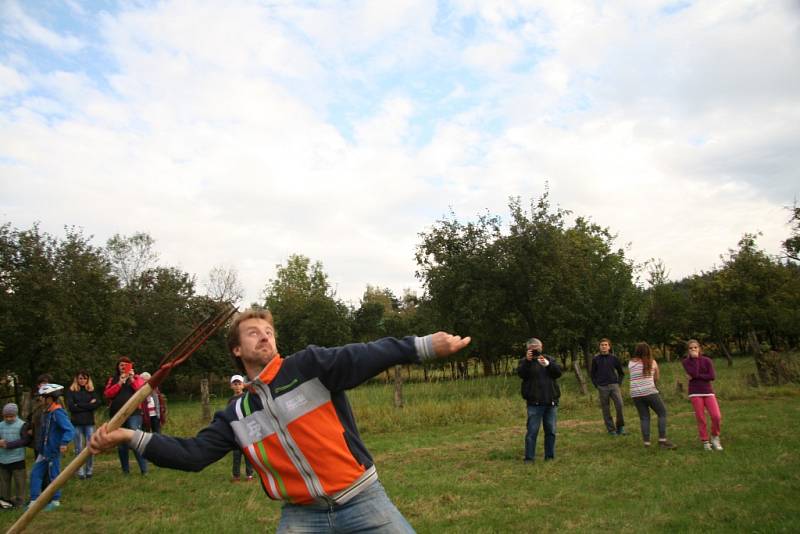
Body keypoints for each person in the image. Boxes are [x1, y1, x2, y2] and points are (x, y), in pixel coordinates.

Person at [90, 308, 470, 533]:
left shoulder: (308, 367)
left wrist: (423, 346)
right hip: (302, 516)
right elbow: (193, 455)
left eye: (269, 332)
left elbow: (366, 354)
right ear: (237, 350)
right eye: (253, 333)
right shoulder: (236, 415)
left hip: (362, 499)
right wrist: (127, 435)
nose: (265, 337)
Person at [28, 384, 75, 511]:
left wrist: (64, 443)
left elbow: (70, 430)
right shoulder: (46, 412)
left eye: (43, 397)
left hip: (53, 451)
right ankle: (34, 501)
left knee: (54, 476)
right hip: (44, 451)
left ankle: (55, 501)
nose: (41, 400)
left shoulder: (57, 413)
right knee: (35, 473)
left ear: (50, 398)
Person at [516, 338, 562, 463]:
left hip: (551, 402)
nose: (535, 349)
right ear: (528, 349)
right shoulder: (524, 361)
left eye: (537, 347)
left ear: (542, 347)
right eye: (532, 347)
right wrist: (527, 361)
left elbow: (558, 373)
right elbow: (521, 374)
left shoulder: (550, 359)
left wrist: (548, 365)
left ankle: (550, 457)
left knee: (551, 431)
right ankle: (529, 458)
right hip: (534, 403)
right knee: (532, 432)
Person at [104, 357, 148, 474]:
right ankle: (125, 471)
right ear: (118, 367)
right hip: (117, 415)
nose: (123, 367)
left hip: (134, 413)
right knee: (121, 443)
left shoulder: (137, 378)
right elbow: (108, 394)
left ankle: (144, 470)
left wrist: (132, 379)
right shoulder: (113, 379)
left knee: (135, 440)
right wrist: (119, 382)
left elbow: (141, 391)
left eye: (126, 365)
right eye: (121, 365)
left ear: (131, 366)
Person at [628, 343, 676, 449]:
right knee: (662, 412)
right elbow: (656, 378)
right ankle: (662, 441)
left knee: (644, 417)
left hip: (635, 394)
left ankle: (646, 443)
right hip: (650, 392)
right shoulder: (652, 362)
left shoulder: (631, 363)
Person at [682, 339, 723, 451]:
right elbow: (694, 373)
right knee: (701, 417)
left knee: (716, 416)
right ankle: (705, 441)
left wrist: (696, 376)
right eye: (691, 348)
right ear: (688, 350)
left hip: (708, 391)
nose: (693, 349)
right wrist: (695, 360)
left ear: (699, 348)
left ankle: (715, 437)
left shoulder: (707, 360)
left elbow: (712, 376)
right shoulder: (686, 362)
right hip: (695, 392)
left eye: (695, 347)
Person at [65, 370, 101, 479]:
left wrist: (79, 405)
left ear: (88, 379)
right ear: (77, 379)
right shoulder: (71, 391)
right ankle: (80, 471)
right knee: (78, 448)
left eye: (85, 378)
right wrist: (88, 405)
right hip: (76, 423)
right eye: (80, 378)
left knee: (90, 447)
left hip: (89, 423)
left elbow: (97, 404)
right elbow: (71, 407)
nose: (82, 380)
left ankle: (89, 470)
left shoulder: (91, 391)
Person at [590, 338, 626, 435]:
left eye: (606, 345)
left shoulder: (614, 358)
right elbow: (592, 374)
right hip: (602, 387)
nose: (604, 346)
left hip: (614, 386)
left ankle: (620, 427)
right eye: (602, 345)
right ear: (599, 347)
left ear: (609, 347)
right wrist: (596, 385)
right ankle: (611, 430)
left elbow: (621, 373)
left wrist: (618, 383)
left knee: (620, 406)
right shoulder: (595, 359)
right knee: (606, 409)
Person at [227, 374, 253, 482]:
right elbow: (229, 413)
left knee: (248, 453)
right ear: (231, 386)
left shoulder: (247, 397)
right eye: (235, 384)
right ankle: (236, 475)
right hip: (236, 430)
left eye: (239, 384)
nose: (237, 386)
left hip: (246, 428)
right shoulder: (230, 400)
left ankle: (249, 474)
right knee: (236, 453)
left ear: (243, 385)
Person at [0, 403, 27, 508]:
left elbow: (25, 440)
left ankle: (20, 502)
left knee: (20, 482)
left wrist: (9, 445)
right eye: (6, 416)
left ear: (16, 414)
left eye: (11, 416)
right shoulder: (0, 425)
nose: (9, 418)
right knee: (4, 482)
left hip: (18, 459)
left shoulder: (22, 425)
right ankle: (5, 501)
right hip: (3, 459)